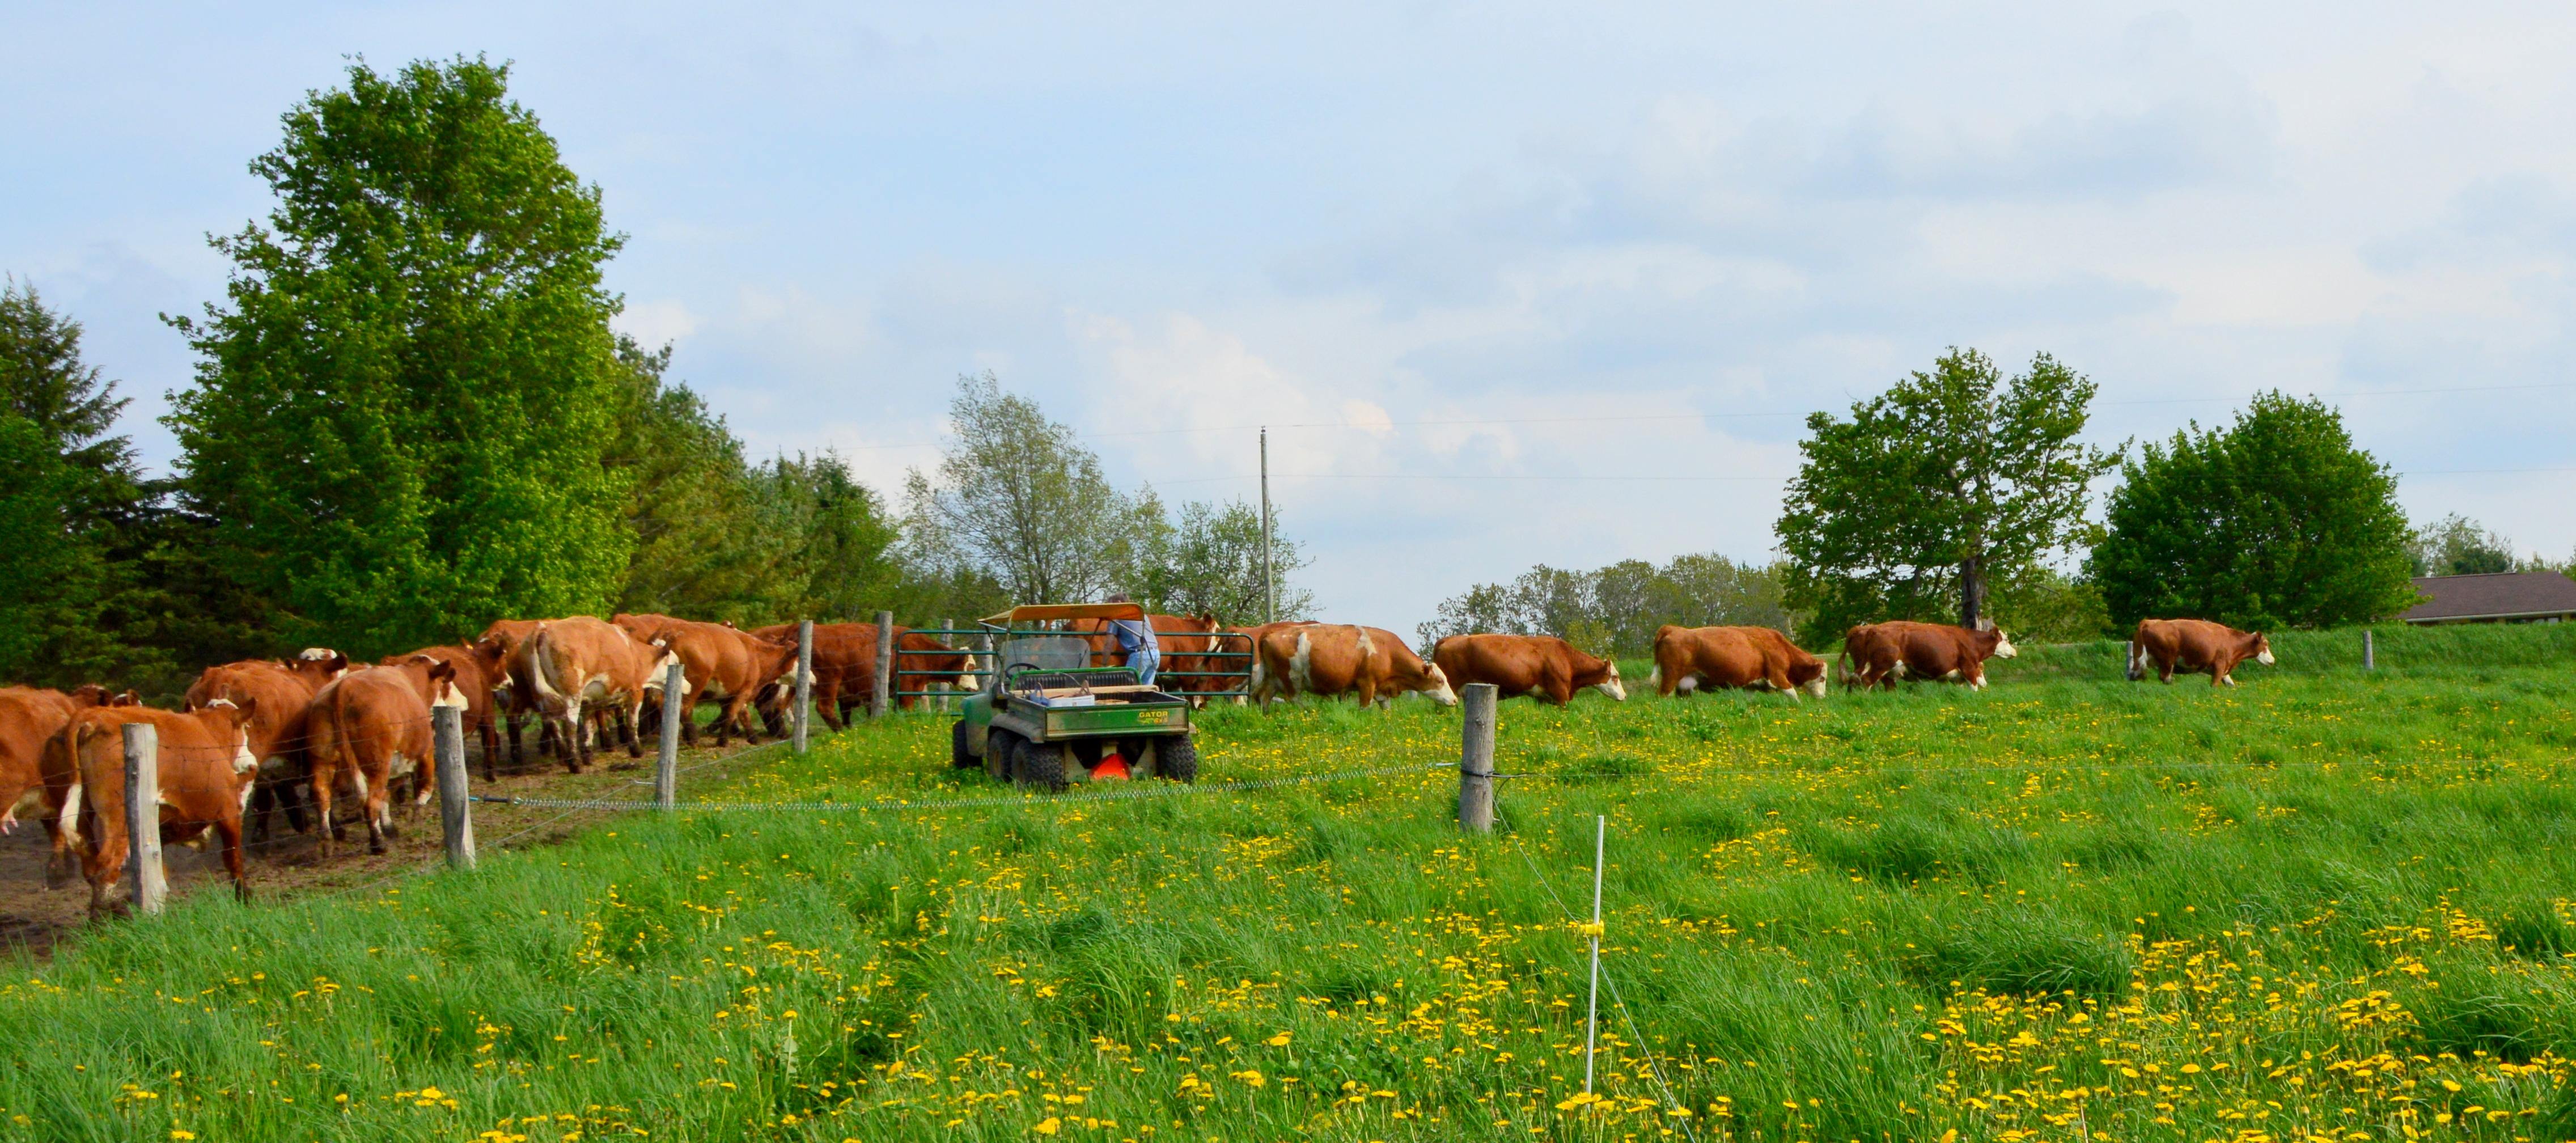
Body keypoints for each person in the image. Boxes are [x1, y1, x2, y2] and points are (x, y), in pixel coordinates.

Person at [1103, 594, 1159, 685]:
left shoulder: (1116, 617)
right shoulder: (1141, 614)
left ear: (1118, 603)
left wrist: (1104, 664)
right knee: (1146, 689)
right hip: (1155, 653)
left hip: (1140, 654)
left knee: (1127, 686)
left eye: (1111, 606)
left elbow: (1109, 643)